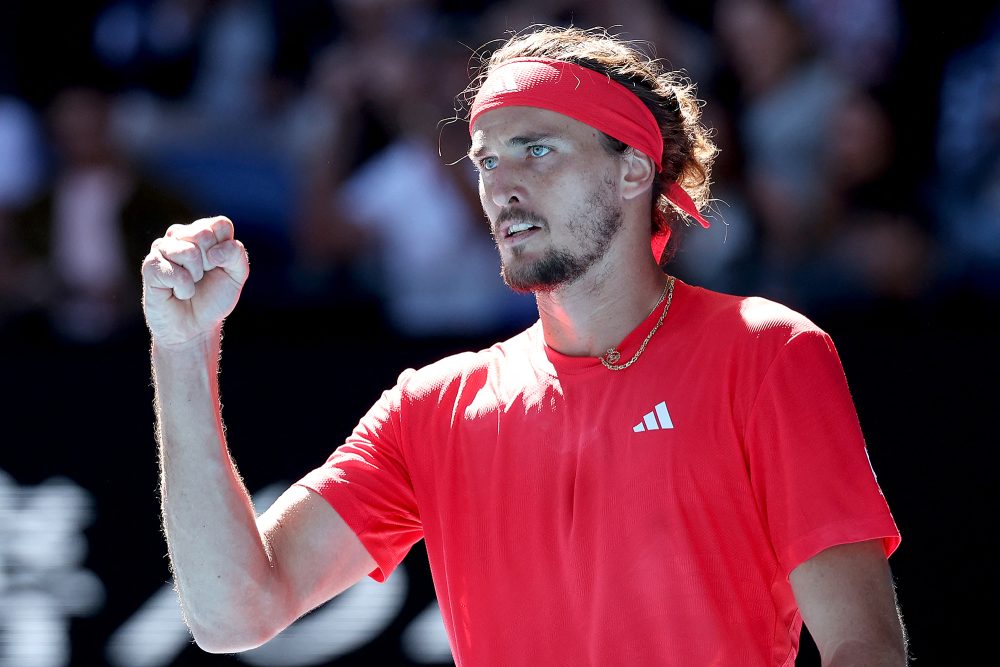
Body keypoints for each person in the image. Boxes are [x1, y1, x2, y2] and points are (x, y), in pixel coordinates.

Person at [141, 26, 906, 666]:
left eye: (536, 149)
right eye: (486, 159)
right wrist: (182, 347)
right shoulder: (430, 407)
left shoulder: (768, 352)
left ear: (634, 168)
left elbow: (863, 646)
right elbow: (233, 611)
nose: (501, 183)